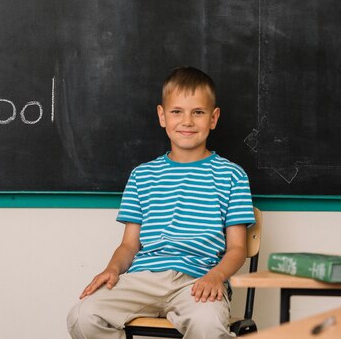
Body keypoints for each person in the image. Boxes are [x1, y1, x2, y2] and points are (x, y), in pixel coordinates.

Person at [67, 66, 255, 339]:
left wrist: (216, 276)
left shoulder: (231, 176)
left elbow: (237, 248)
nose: (187, 121)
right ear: (162, 116)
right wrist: (112, 268)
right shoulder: (143, 175)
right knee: (83, 316)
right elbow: (130, 244)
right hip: (144, 278)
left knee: (208, 326)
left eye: (198, 112)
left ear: (213, 118)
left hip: (198, 282)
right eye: (177, 111)